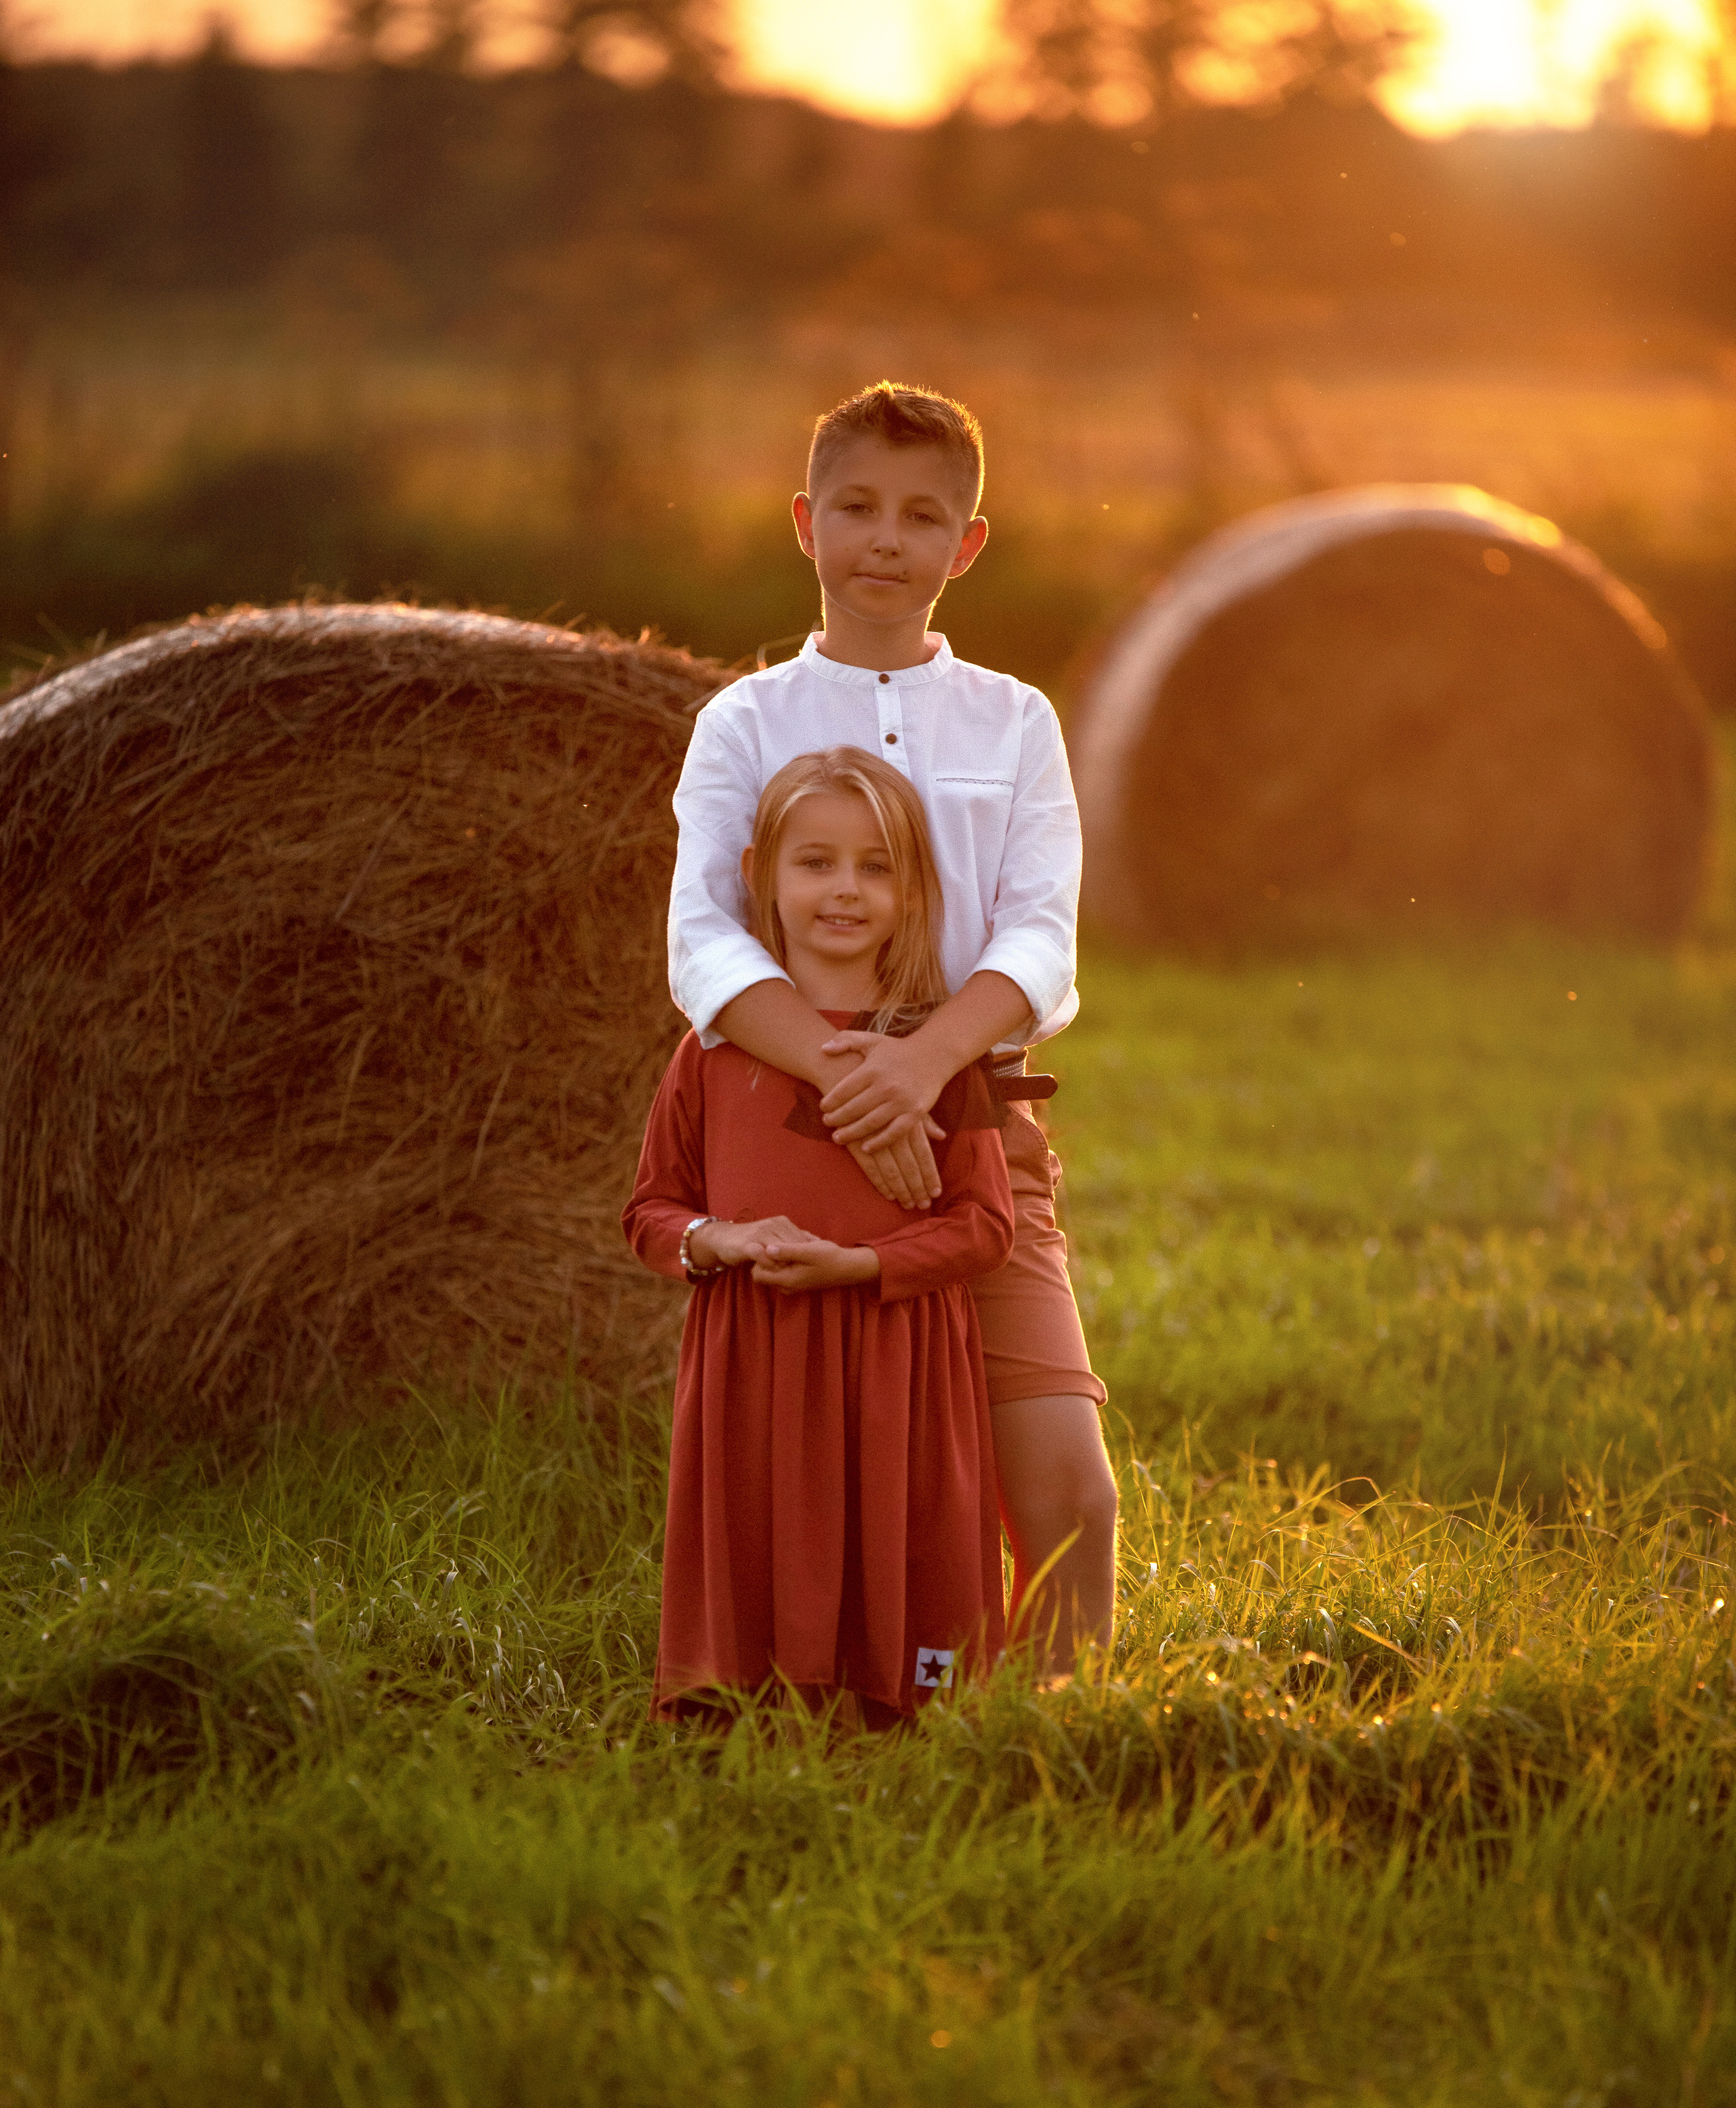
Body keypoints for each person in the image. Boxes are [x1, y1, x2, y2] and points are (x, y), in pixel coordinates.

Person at [667, 380, 1117, 1674]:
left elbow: (1041, 936)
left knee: (1071, 1494)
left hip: (973, 1129)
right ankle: (828, 1710)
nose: (886, 539)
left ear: (966, 546)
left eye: (923, 517)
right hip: (789, 1137)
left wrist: (922, 1066)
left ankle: (1055, 1737)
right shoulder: (745, 721)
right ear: (803, 523)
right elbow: (703, 940)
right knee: (832, 1482)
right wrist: (853, 1082)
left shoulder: (1016, 720)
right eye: (857, 507)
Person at [625, 747, 1015, 1725]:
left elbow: (984, 1228)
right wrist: (721, 1240)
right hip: (755, 1350)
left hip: (897, 1354)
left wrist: (863, 1264)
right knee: (765, 1518)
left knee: (901, 1521)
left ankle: (908, 1694)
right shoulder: (712, 1049)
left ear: (913, 891)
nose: (845, 889)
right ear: (759, 875)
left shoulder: (934, 1049)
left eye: (876, 868)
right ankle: (743, 1697)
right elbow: (651, 1211)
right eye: (816, 863)